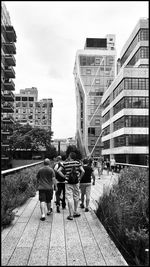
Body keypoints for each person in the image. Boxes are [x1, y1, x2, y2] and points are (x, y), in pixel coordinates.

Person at [57, 152, 85, 220]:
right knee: (76, 197)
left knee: (69, 198)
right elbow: (83, 171)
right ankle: (75, 211)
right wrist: (79, 178)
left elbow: (58, 171)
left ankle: (71, 215)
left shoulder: (65, 163)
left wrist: (64, 176)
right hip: (76, 183)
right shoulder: (78, 163)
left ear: (70, 156)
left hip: (68, 183)